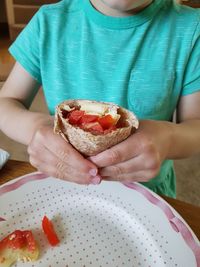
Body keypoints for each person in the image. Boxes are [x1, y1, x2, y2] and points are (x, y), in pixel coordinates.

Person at [0, 0, 200, 198]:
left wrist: (168, 138)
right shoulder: (48, 23)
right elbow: (6, 102)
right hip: (63, 183)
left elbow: (195, 126)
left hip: (148, 194)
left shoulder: (191, 29)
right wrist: (35, 128)